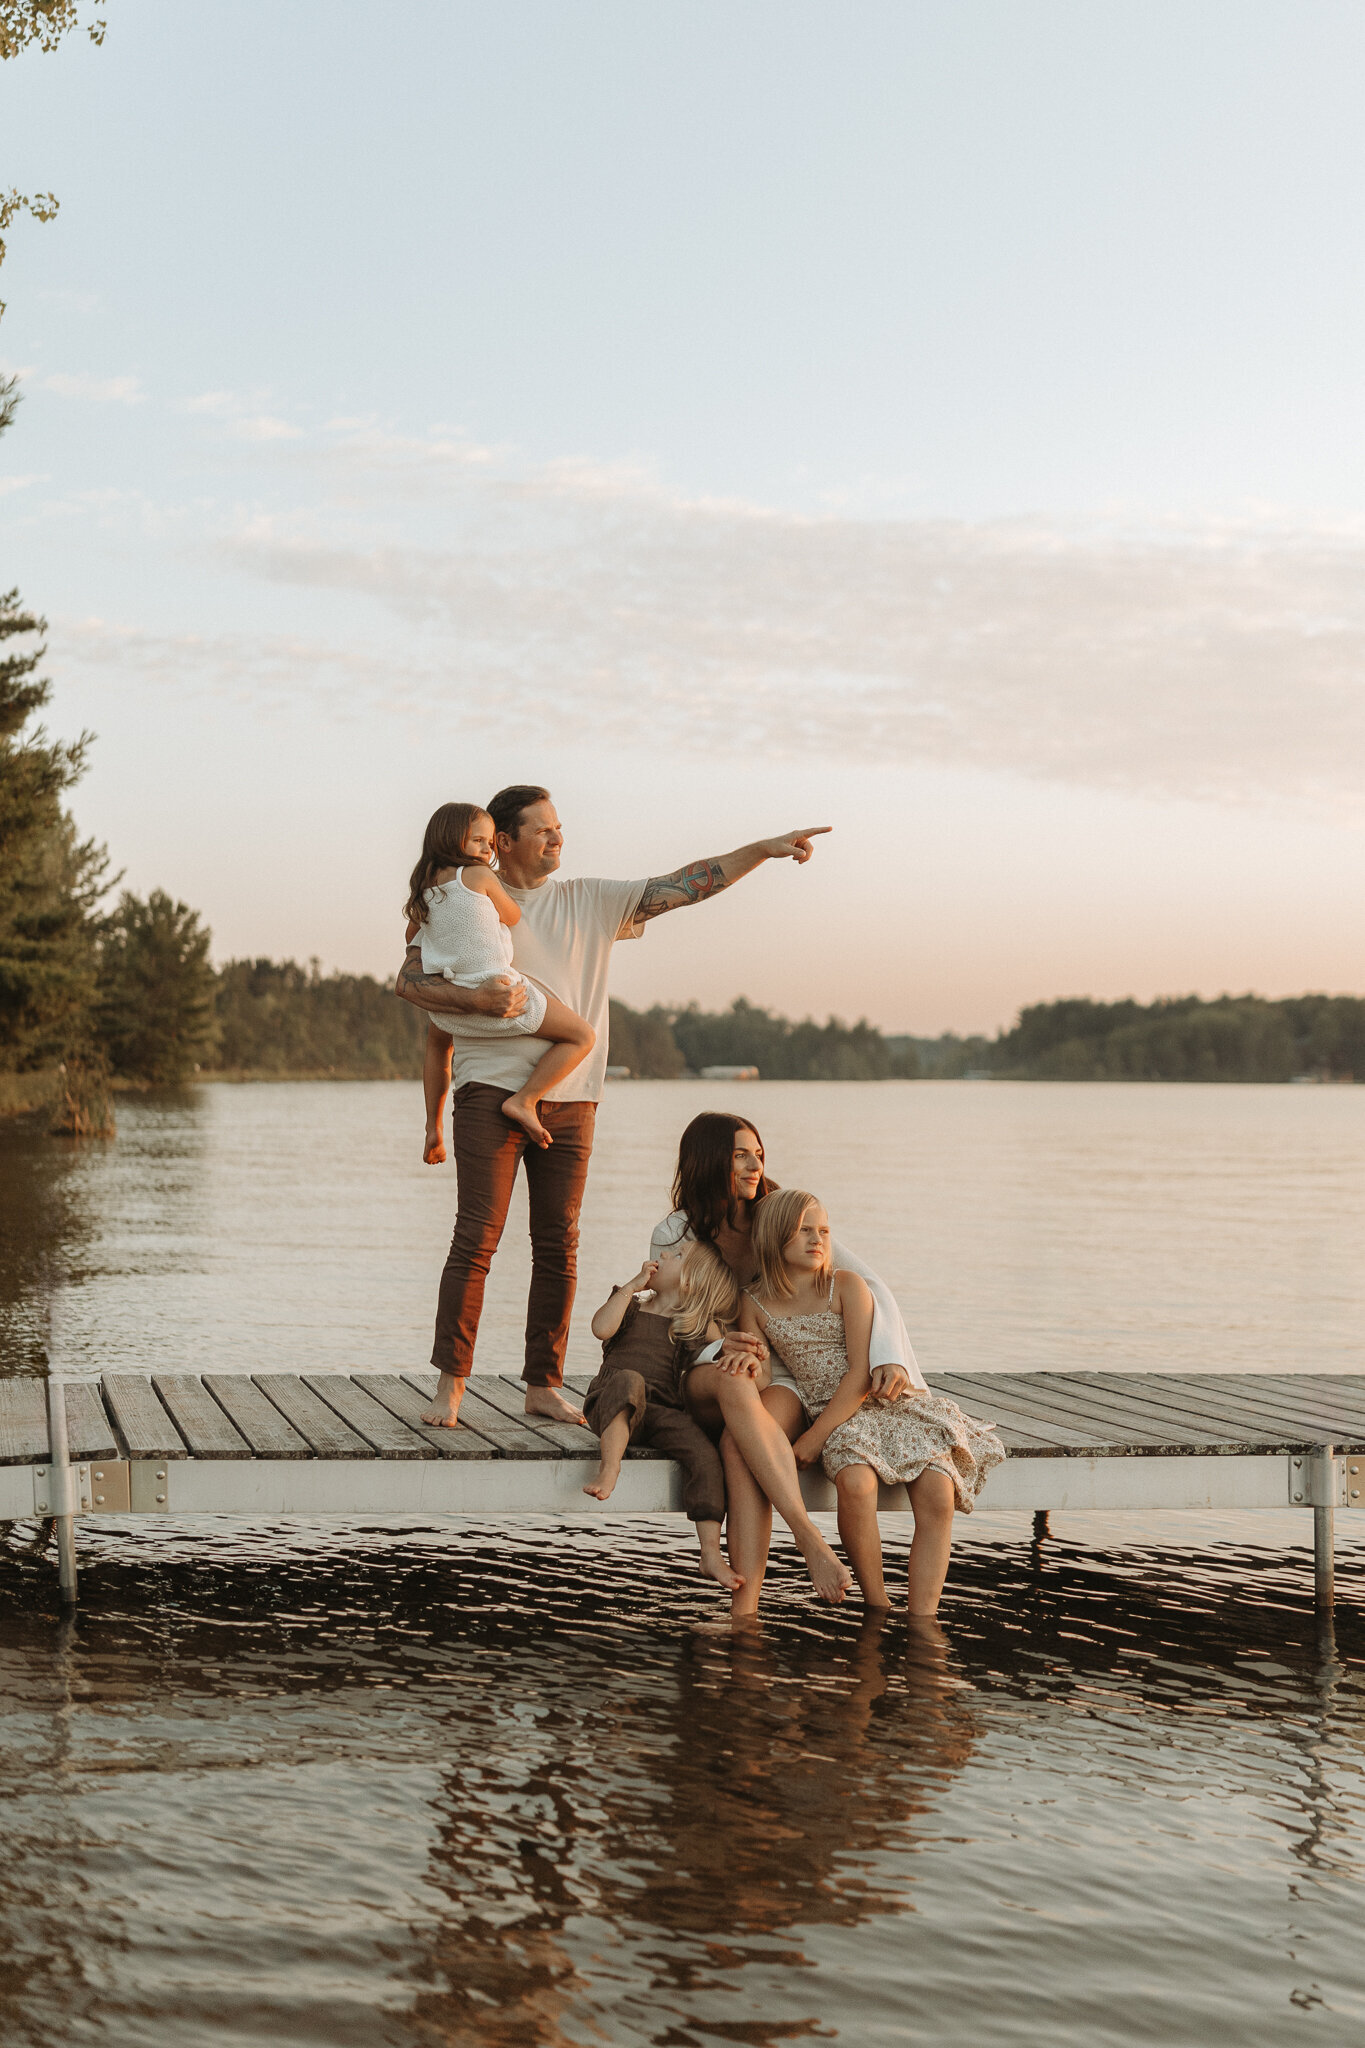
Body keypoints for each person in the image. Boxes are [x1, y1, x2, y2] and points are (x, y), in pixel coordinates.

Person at [395, 784, 830, 1431]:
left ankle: (542, 1384)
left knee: (558, 1245)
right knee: (475, 1240)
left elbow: (686, 884)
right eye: (542, 830)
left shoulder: (589, 900)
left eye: (560, 828)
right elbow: (411, 983)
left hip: (573, 1100)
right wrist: (476, 1009)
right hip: (487, 1094)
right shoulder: (461, 901)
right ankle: (450, 1387)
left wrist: (760, 852)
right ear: (501, 841)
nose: (557, 839)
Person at [649, 1111, 919, 1616]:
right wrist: (722, 1348)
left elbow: (868, 1284)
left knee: (738, 1442)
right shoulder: (676, 1232)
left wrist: (887, 1356)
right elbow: (674, 1315)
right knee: (734, 1387)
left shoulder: (781, 1212)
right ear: (709, 1161)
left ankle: (743, 1609)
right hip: (711, 1364)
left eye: (759, 1153)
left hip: (782, 1375)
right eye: (739, 1155)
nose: (755, 1165)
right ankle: (810, 1539)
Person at [742, 1189, 1004, 1615]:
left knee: (939, 1492)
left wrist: (812, 1440)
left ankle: (923, 1615)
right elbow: (768, 1378)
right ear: (774, 1237)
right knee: (856, 1484)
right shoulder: (753, 1302)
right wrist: (746, 1362)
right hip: (834, 1412)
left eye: (824, 1230)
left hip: (880, 1400)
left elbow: (861, 1374)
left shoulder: (845, 1285)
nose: (818, 1240)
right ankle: (877, 1605)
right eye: (804, 1231)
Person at [404, 801, 595, 1154]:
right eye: (479, 841)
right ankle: (525, 1100)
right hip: (501, 993)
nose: (487, 851)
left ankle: (433, 1127)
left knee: (436, 1046)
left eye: (490, 844)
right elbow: (513, 915)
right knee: (582, 1036)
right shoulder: (478, 876)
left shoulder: (425, 891)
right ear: (451, 839)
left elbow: (411, 940)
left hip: (451, 1004)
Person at [582, 1241, 743, 1594]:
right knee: (630, 1380)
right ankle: (610, 1467)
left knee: (704, 1454)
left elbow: (717, 1356)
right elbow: (600, 1328)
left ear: (690, 1281)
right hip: (611, 1402)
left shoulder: (696, 1327)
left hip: (660, 1411)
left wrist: (735, 1346)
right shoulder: (632, 1307)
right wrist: (629, 1288)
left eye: (678, 1256)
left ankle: (711, 1552)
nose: (664, 1255)